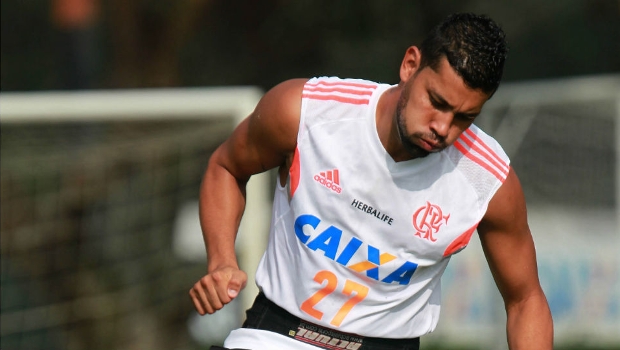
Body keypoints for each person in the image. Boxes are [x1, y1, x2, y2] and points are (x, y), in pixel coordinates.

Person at [189, 12, 554, 350]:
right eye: (437, 102)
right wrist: (221, 260)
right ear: (410, 65)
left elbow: (526, 300)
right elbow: (226, 167)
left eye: (464, 117)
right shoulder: (306, 112)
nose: (443, 128)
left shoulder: (489, 181)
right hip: (277, 334)